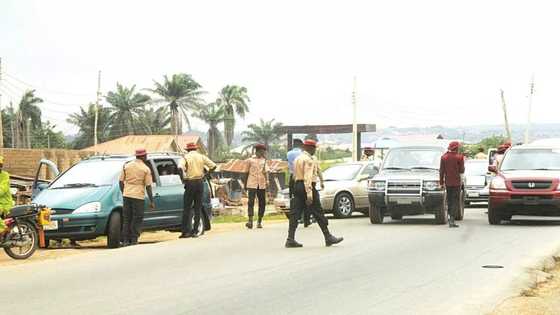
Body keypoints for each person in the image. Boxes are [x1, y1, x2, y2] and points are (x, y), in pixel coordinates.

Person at [286, 139, 343, 248]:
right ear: (309, 148)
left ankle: (290, 238)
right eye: (314, 148)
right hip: (307, 186)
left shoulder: (298, 158)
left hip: (297, 185)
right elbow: (307, 178)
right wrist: (309, 194)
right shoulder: (308, 160)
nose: (315, 151)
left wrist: (295, 189)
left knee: (295, 213)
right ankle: (328, 237)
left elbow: (294, 175)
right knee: (318, 212)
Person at [179, 142, 216, 238]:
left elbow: (180, 167)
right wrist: (205, 175)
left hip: (190, 182)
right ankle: (195, 231)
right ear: (195, 149)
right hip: (200, 183)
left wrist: (183, 178)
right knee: (197, 208)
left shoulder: (185, 157)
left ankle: (185, 231)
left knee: (187, 207)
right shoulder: (201, 157)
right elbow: (213, 166)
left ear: (188, 150)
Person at [119, 149, 155, 246]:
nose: (146, 157)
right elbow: (148, 186)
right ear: (143, 156)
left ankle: (126, 240)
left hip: (127, 194)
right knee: (137, 218)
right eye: (145, 155)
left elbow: (121, 181)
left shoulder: (127, 166)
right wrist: (151, 201)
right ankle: (134, 239)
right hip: (138, 196)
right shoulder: (145, 169)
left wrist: (124, 192)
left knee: (127, 218)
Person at [439, 141, 465, 228]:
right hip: (457, 182)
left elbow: (441, 171)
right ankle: (452, 220)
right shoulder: (460, 157)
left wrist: (441, 183)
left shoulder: (444, 157)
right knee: (455, 201)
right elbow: (462, 170)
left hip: (448, 182)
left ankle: (450, 217)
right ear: (456, 148)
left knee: (449, 201)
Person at [244, 144, 269, 229]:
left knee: (262, 203)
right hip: (252, 183)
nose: (264, 152)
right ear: (258, 151)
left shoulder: (264, 160)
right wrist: (245, 184)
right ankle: (250, 220)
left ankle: (259, 221)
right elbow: (246, 172)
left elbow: (266, 171)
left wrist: (267, 180)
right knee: (251, 202)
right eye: (262, 151)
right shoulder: (250, 160)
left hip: (261, 184)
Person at [0, 156, 14, 235]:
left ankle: (3, 229)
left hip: (5, 204)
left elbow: (2, 189)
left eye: (0, 165)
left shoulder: (5, 175)